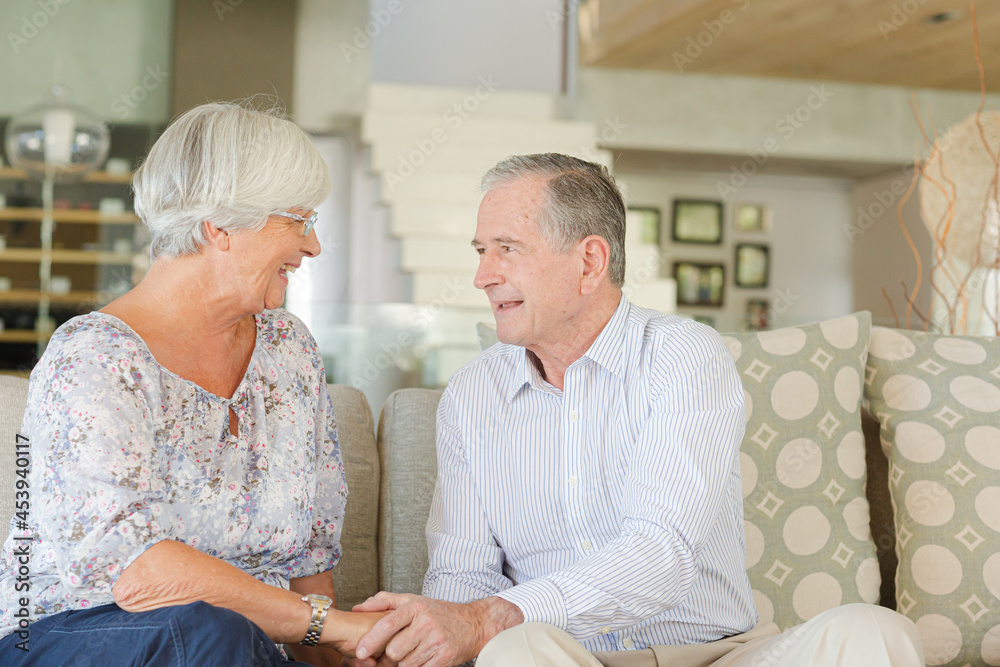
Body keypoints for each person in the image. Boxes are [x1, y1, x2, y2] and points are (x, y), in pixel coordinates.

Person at [348, 153, 924, 667]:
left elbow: (660, 556)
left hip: (714, 654)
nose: (483, 275)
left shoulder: (682, 356)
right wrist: (419, 640)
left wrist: (490, 617)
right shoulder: (473, 395)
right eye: (481, 251)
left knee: (873, 632)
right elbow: (462, 575)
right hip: (565, 656)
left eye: (507, 249)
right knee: (516, 654)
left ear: (589, 262)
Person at [0, 102, 384, 666]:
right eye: (297, 220)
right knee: (208, 632)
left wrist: (354, 653)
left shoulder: (289, 351)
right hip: (68, 638)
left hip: (240, 649)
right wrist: (331, 626)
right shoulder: (96, 358)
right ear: (220, 226)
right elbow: (135, 575)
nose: (312, 245)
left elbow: (309, 559)